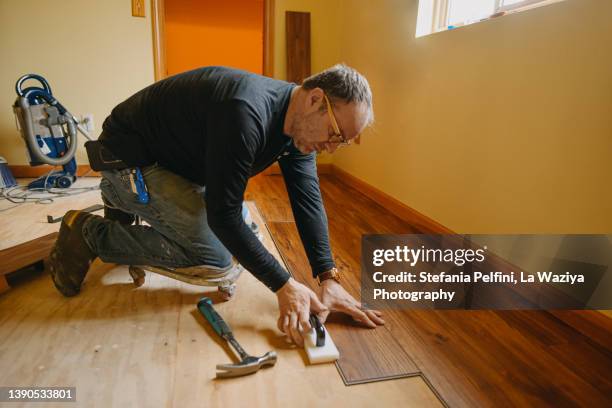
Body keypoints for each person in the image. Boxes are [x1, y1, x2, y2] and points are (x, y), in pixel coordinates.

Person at [49, 64, 384, 346]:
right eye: (336, 134)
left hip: (173, 162)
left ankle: (124, 206)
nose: (331, 148)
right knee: (215, 259)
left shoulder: (296, 124)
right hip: (127, 159)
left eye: (342, 143)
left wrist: (329, 278)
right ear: (315, 99)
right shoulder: (245, 111)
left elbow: (307, 199)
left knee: (246, 238)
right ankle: (90, 231)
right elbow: (222, 215)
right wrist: (284, 285)